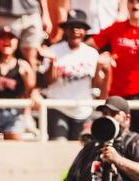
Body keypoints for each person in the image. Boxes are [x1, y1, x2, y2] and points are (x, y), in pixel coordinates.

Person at [89, 0, 139, 134]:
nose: (135, 4)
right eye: (131, 0)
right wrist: (102, 56)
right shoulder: (117, 28)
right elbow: (89, 45)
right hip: (119, 95)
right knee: (117, 137)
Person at [42, 9, 101, 140]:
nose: (75, 31)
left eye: (79, 27)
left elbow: (97, 85)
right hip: (58, 108)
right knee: (59, 145)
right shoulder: (54, 50)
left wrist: (104, 69)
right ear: (65, 30)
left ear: (85, 31)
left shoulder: (92, 54)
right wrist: (52, 62)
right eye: (71, 27)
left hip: (83, 109)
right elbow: (48, 81)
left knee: (80, 150)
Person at [0, 25, 36, 140]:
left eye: (10, 38)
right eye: (3, 38)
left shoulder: (22, 64)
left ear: (17, 41)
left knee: (15, 150)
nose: (6, 41)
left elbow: (30, 89)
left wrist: (26, 75)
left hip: (14, 112)